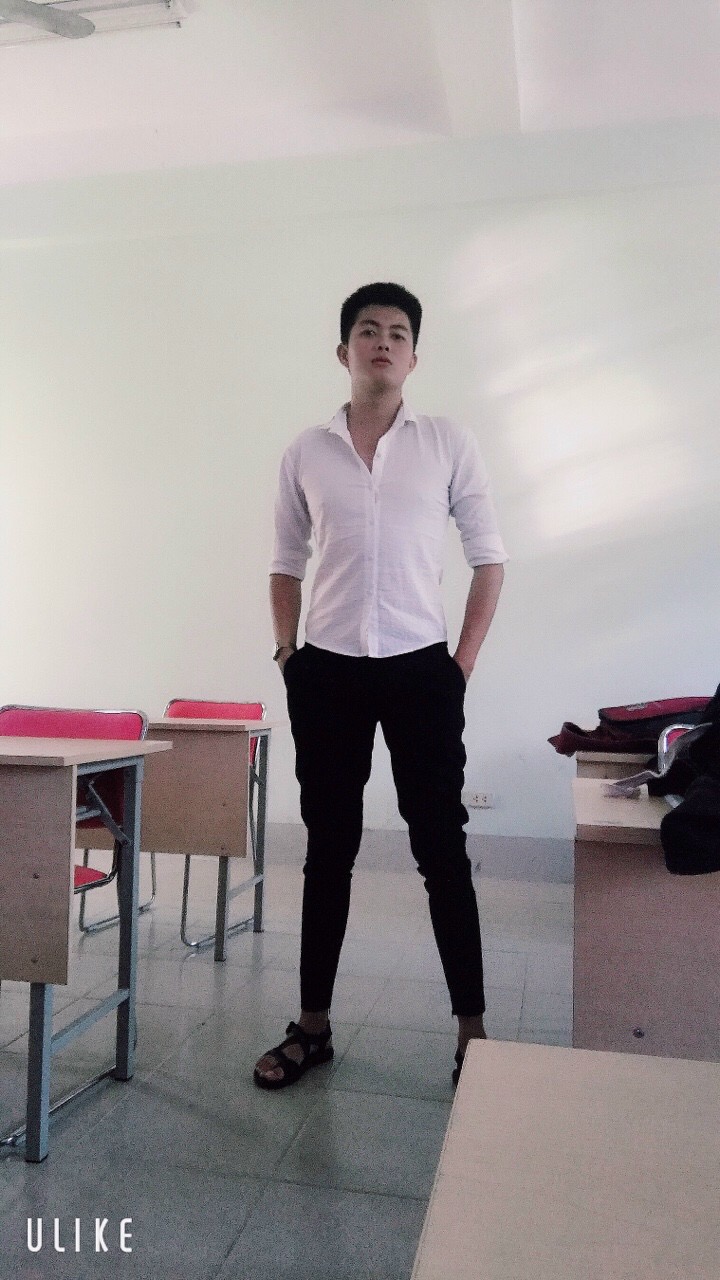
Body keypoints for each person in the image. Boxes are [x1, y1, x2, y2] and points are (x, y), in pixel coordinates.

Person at [254, 282, 507, 1089]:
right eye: (369, 330)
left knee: (441, 847)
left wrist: (460, 664)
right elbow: (285, 561)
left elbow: (489, 558)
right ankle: (313, 1026)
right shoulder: (307, 450)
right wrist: (289, 654)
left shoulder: (447, 442)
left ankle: (473, 1033)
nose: (384, 342)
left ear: (414, 357)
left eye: (398, 332)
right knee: (328, 849)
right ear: (345, 351)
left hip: (420, 670)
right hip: (327, 672)